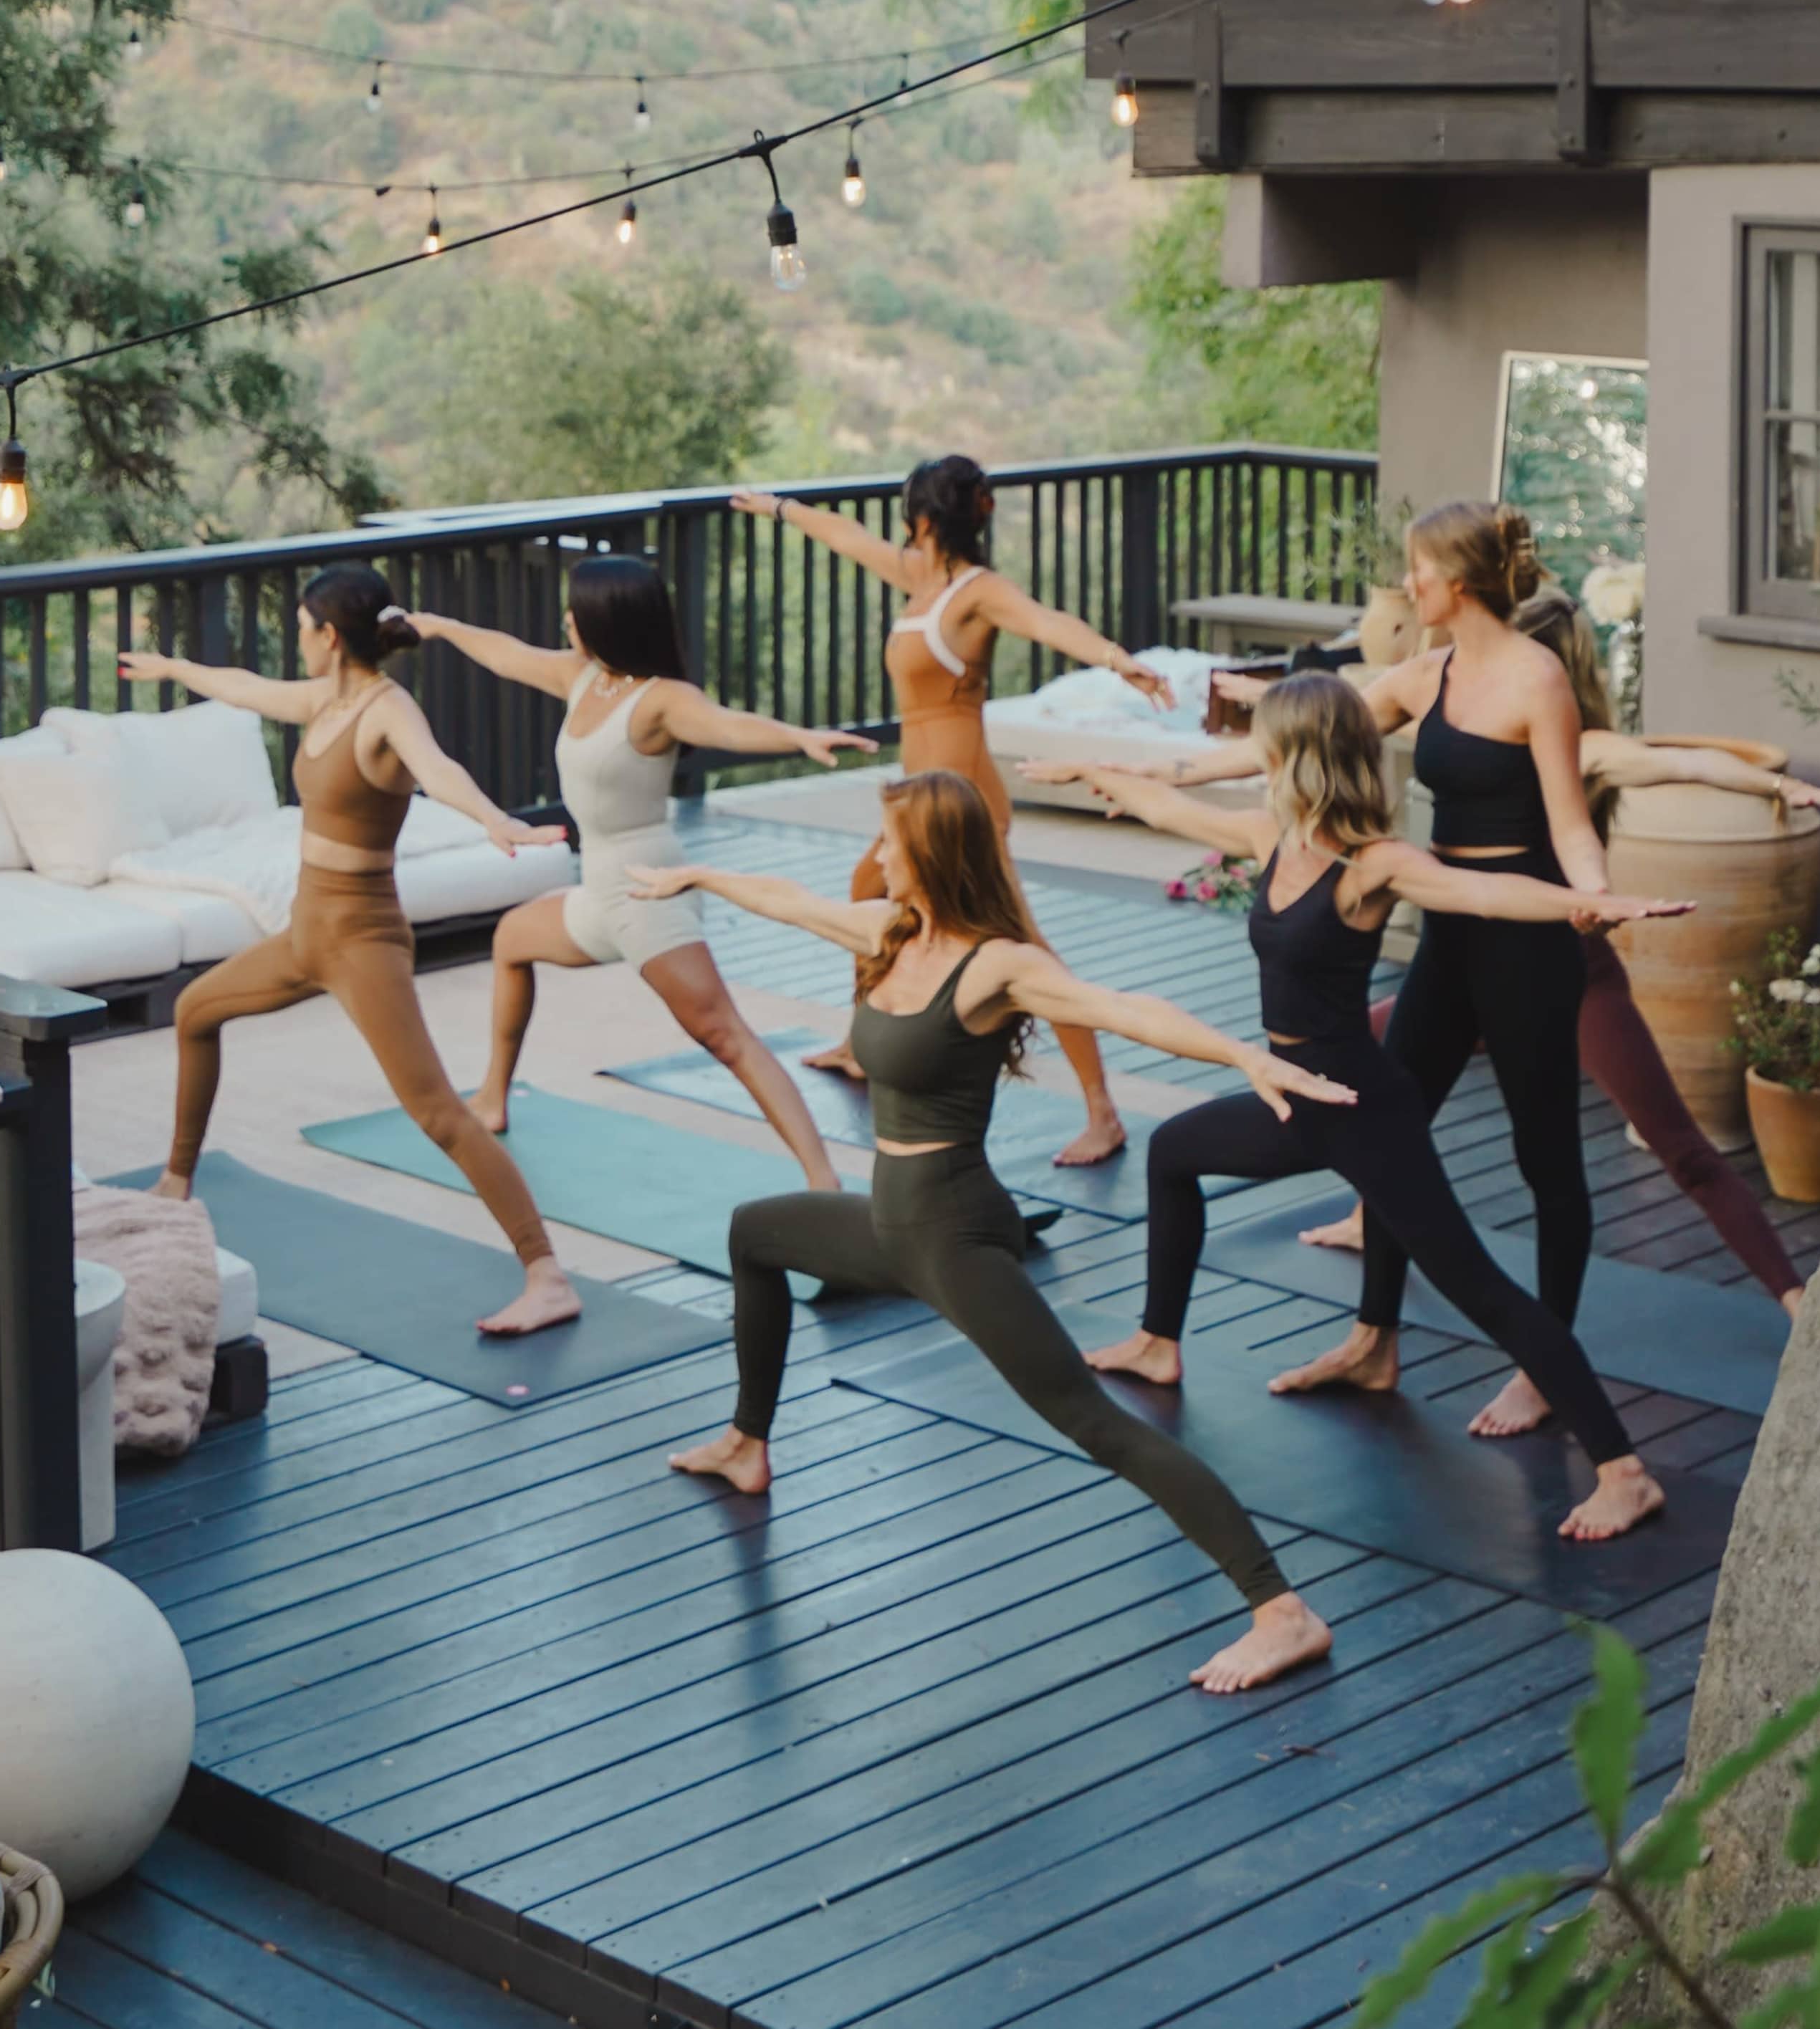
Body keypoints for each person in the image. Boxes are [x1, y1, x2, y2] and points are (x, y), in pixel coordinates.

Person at [630, 769, 1346, 1693]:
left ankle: (1281, 1609)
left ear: (929, 852)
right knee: (756, 1234)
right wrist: (694, 883)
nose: (878, 855)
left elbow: (1125, 1010)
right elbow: (787, 902)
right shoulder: (895, 931)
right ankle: (746, 1442)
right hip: (895, 1225)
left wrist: (1247, 1056)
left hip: (954, 1236)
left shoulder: (996, 965)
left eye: (891, 841)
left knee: (1096, 1424)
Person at [1023, 675, 1687, 1541]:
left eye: (1268, 745)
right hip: (1293, 1097)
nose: (1256, 758)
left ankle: (1623, 1471)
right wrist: (1095, 774)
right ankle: (1158, 1341)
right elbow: (1169, 812)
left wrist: (1589, 904)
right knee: (1173, 1153)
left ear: (1303, 755)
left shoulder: (1371, 864)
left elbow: (1484, 894)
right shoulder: (1273, 835)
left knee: (1484, 1291)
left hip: (1364, 1109)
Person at [1197, 578, 1820, 1402]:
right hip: (1455, 965)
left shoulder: (1572, 744)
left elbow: (1673, 760)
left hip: (1555, 974)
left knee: (1666, 1146)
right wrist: (1228, 725)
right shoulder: (1446, 718)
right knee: (1381, 1108)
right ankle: (1372, 1337)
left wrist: (1778, 787)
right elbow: (1328, 721)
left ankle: (1793, 1304)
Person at [126, 572, 579, 1336]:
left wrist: (497, 822)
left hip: (362, 940)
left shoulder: (386, 710)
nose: (295, 642)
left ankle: (546, 1273)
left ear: (328, 636)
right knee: (195, 1011)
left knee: (438, 1113)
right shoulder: (321, 702)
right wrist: (174, 671)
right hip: (306, 933)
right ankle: (177, 1181)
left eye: (302, 627)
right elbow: (243, 688)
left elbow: (439, 772)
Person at [733, 458, 1170, 1166]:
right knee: (865, 891)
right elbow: (844, 536)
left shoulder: (977, 592)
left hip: (962, 799)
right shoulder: (918, 577)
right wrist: (780, 509)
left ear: (925, 520)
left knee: (1025, 946)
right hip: (916, 800)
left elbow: (1047, 622)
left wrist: (1120, 660)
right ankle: (858, 1042)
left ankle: (1102, 1111)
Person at [405, 554, 863, 1186]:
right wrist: (443, 627)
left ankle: (822, 1176)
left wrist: (798, 737)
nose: (566, 619)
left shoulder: (661, 700)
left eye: (578, 610)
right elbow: (508, 654)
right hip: (597, 891)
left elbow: (727, 725)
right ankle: (492, 1098)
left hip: (650, 890)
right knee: (512, 939)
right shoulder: (585, 676)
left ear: (610, 620)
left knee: (724, 1036)